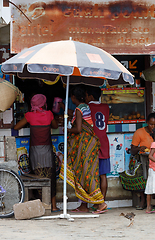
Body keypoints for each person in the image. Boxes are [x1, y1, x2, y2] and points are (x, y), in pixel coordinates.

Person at [60, 86, 107, 214]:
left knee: (86, 175)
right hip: (90, 145)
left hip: (85, 145)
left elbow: (79, 129)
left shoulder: (79, 109)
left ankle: (101, 203)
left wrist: (68, 130)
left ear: (73, 97)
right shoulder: (85, 107)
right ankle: (84, 205)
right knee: (86, 173)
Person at [14, 94, 60, 212]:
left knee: (38, 177)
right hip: (47, 151)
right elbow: (55, 126)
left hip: (35, 152)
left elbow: (16, 127)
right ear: (44, 103)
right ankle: (53, 206)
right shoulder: (49, 114)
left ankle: (42, 206)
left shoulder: (29, 116)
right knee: (51, 178)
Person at [119, 113, 155, 210]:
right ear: (147, 123)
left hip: (153, 159)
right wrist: (139, 148)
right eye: (151, 124)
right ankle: (143, 199)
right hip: (139, 159)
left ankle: (153, 199)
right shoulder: (139, 132)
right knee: (141, 173)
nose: (153, 127)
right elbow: (132, 150)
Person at [86, 86, 110, 211]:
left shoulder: (87, 107)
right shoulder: (105, 107)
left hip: (92, 142)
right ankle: (102, 202)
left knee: (91, 175)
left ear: (89, 96)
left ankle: (98, 202)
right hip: (104, 142)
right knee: (103, 175)